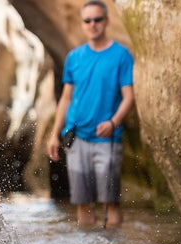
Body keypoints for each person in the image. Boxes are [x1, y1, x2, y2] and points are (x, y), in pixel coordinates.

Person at [46, 0, 135, 228]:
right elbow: (66, 98)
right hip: (76, 138)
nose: (92, 24)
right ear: (83, 24)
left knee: (110, 202)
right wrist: (55, 134)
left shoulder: (121, 55)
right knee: (83, 202)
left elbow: (129, 97)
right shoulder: (74, 57)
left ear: (106, 21)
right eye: (88, 20)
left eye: (97, 19)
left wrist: (113, 123)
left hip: (107, 138)